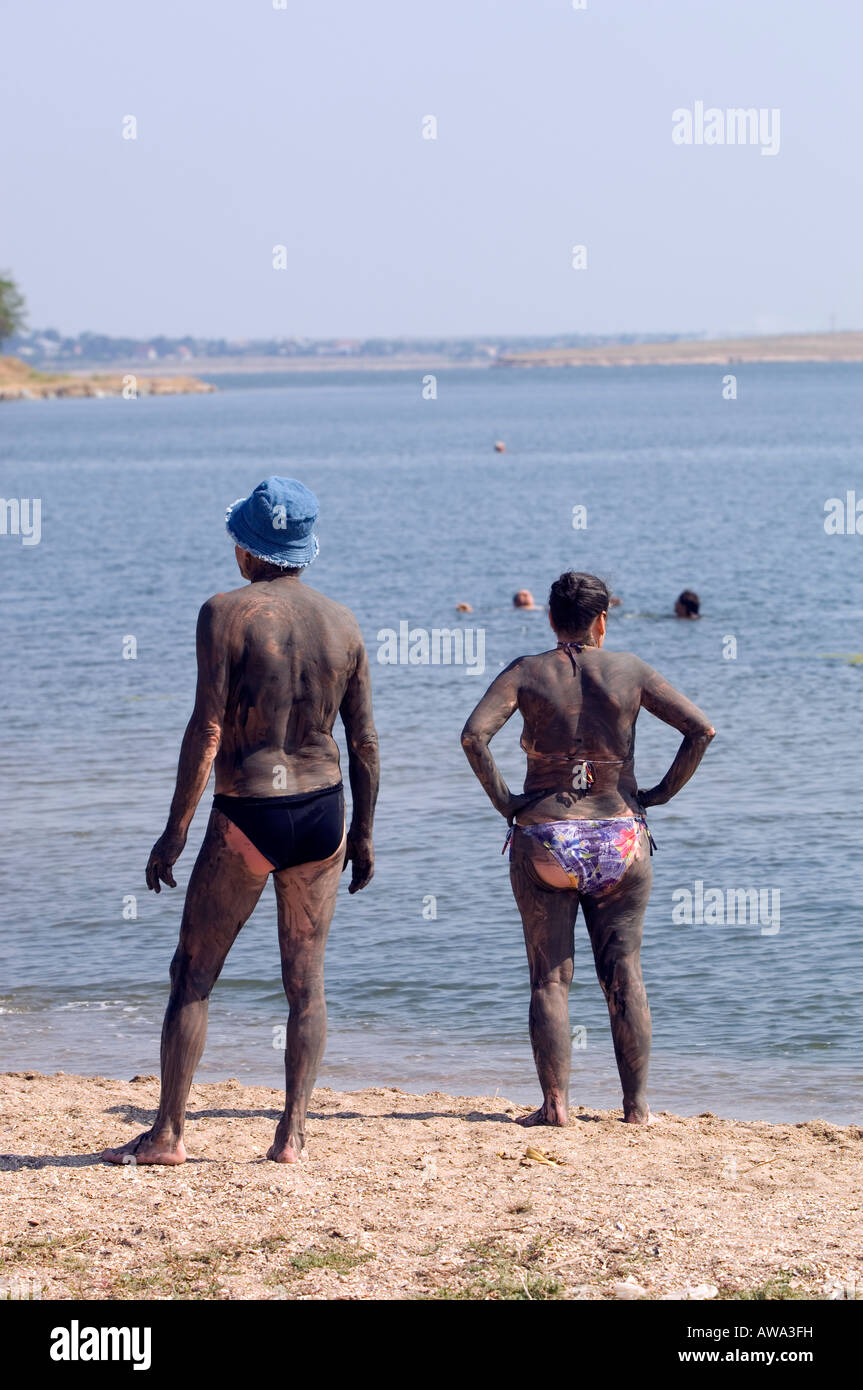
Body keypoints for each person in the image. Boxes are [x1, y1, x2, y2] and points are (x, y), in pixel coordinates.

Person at [102, 477, 379, 1166]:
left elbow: (207, 727)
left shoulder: (223, 612)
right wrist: (366, 834)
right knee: (304, 984)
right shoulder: (342, 622)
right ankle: (291, 1136)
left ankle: (167, 1133)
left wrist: (175, 829)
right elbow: (366, 742)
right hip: (322, 810)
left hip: (247, 812)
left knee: (192, 974)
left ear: (246, 548)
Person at [461, 571, 714, 1127]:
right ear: (602, 620)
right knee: (624, 970)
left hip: (546, 837)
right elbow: (701, 731)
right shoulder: (631, 671)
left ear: (552, 619)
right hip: (620, 835)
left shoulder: (526, 672)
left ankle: (556, 1107)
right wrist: (655, 796)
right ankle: (636, 1109)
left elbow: (473, 736)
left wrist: (510, 804)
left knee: (550, 977)